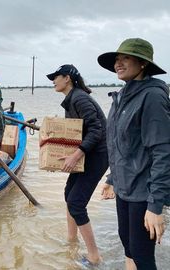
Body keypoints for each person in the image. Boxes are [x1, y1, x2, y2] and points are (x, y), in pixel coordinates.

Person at [98, 38, 170, 270]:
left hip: (144, 192)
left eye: (125, 58)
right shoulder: (121, 96)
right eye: (117, 59)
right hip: (124, 188)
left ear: (142, 64)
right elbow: (120, 144)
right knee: (128, 245)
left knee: (142, 256)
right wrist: (111, 179)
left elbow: (162, 151)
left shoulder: (153, 97)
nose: (118, 63)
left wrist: (156, 206)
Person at [46, 64, 108, 265]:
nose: (53, 81)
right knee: (68, 193)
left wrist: (76, 155)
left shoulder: (79, 98)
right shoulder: (71, 99)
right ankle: (71, 240)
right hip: (88, 152)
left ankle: (94, 256)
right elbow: (75, 133)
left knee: (76, 203)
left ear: (68, 79)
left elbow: (96, 131)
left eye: (56, 77)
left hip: (98, 154)